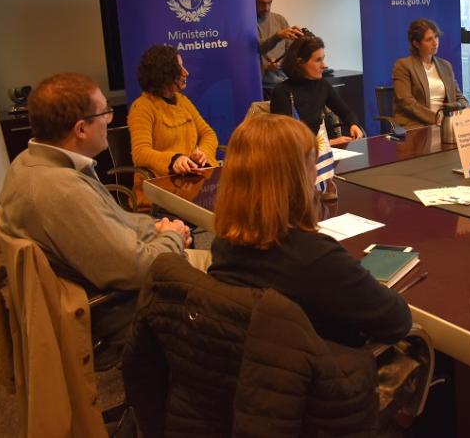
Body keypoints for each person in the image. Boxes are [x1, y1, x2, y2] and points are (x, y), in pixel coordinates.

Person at [0, 72, 193, 349]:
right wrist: (172, 238)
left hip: (96, 281)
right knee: (222, 284)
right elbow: (134, 269)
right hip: (116, 307)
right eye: (106, 113)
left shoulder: (26, 164)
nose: (110, 120)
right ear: (81, 129)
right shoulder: (62, 190)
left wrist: (156, 228)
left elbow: (110, 221)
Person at [208, 114, 411, 347]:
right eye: (311, 163)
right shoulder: (314, 257)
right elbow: (397, 321)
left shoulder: (223, 243)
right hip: (328, 373)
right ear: (294, 178)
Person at [128, 45, 219, 208]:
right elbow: (140, 153)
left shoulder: (183, 101)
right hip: (160, 189)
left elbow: (208, 134)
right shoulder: (142, 107)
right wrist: (174, 160)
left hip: (190, 184)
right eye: (180, 68)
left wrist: (202, 154)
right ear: (164, 73)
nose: (186, 73)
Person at [269, 33, 364, 144]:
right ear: (300, 63)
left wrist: (354, 124)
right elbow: (286, 139)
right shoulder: (282, 92)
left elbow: (346, 112)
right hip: (299, 154)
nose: (324, 65)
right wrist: (329, 143)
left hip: (324, 149)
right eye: (318, 60)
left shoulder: (322, 85)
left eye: (323, 59)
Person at [392, 19, 469, 129]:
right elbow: (407, 102)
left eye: (436, 37)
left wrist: (464, 107)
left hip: (446, 124)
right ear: (416, 44)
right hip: (417, 125)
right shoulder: (403, 66)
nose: (435, 43)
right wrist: (436, 118)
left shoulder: (445, 66)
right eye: (429, 39)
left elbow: (458, 96)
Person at [255, 0, 303, 96]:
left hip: (284, 84)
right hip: (262, 87)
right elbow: (258, 48)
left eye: (269, 3)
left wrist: (281, 63)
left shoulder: (280, 20)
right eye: (262, 3)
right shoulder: (248, 23)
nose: (266, 8)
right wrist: (277, 36)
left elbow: (291, 53)